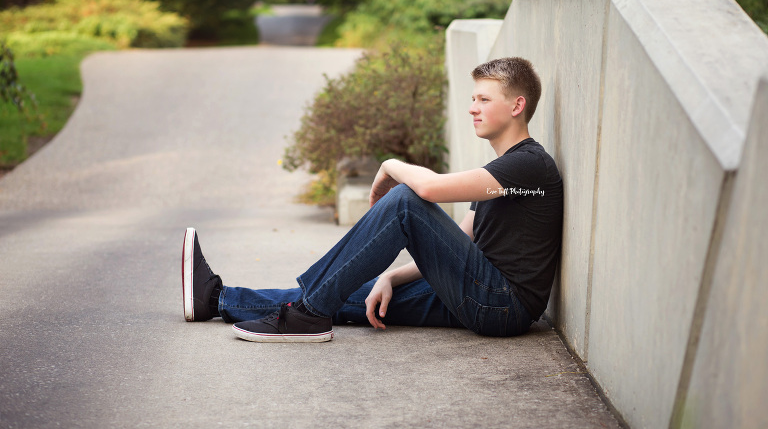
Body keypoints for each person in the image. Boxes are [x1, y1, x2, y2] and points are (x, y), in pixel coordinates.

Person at [182, 57, 563, 343]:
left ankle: (308, 316)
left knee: (404, 201)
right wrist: (391, 276)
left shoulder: (529, 166)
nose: (472, 108)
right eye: (473, 98)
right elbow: (467, 240)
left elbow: (427, 190)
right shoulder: (504, 170)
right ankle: (216, 299)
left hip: (500, 305)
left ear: (516, 106)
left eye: (483, 99)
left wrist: (390, 164)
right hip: (479, 293)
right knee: (346, 291)